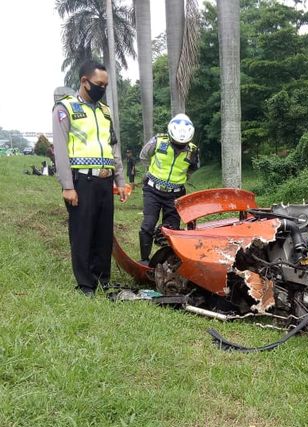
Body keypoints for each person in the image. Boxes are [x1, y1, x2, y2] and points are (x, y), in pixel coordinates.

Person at [53, 60, 129, 296]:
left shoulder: (105, 112)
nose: (102, 89)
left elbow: (113, 148)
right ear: (84, 82)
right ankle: (86, 284)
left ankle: (102, 279)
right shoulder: (65, 108)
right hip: (81, 182)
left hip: (105, 181)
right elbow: (61, 150)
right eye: (98, 84)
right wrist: (67, 186)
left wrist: (121, 180)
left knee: (103, 233)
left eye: (105, 85)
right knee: (83, 232)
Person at [138, 114, 199, 264]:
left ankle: (167, 260)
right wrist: (151, 173)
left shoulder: (193, 150)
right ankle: (144, 259)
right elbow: (144, 155)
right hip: (153, 191)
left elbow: (193, 168)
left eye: (183, 144)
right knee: (148, 224)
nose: (180, 147)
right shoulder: (158, 141)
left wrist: (180, 179)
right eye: (177, 143)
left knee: (172, 229)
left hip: (175, 195)